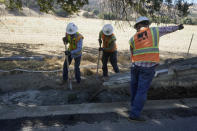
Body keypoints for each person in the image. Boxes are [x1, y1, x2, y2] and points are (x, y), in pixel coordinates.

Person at [128, 16, 184, 121]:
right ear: (147, 24)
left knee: (134, 88)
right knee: (141, 91)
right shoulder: (154, 31)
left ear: (138, 26)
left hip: (135, 66)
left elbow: (131, 52)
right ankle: (134, 115)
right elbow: (167, 29)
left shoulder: (133, 38)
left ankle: (133, 107)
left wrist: (134, 63)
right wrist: (178, 27)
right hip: (148, 68)